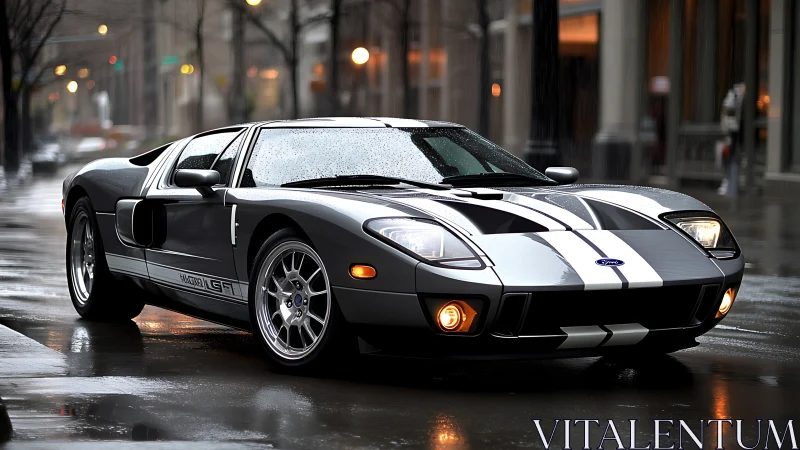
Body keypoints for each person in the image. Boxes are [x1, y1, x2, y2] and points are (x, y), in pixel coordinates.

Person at [717, 83, 745, 196]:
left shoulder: (739, 98)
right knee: (730, 158)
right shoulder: (733, 96)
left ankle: (732, 184)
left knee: (736, 159)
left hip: (738, 134)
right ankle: (729, 184)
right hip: (733, 134)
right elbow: (727, 113)